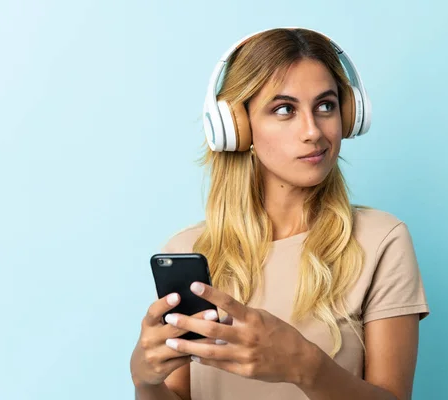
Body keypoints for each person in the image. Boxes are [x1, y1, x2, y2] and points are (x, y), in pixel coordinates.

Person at [130, 27, 430, 400]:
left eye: (326, 106)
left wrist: (303, 365)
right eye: (284, 109)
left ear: (349, 115)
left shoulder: (381, 239)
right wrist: (146, 382)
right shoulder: (191, 249)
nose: (313, 131)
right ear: (237, 127)